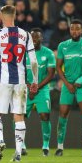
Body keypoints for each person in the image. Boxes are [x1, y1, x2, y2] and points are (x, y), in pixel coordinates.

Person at [0, 5, 38, 162]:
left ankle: (0, 141)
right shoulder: (26, 34)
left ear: (2, 17)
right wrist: (35, 81)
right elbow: (34, 62)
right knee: (18, 116)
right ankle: (17, 153)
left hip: (3, 80)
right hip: (21, 81)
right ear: (15, 15)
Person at [55, 19, 82, 157]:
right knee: (63, 115)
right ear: (69, 30)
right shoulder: (63, 46)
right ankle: (60, 147)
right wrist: (66, 84)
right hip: (68, 85)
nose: (75, 31)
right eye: (72, 29)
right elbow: (58, 67)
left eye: (77, 29)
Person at [22, 28, 55, 156]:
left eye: (37, 37)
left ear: (42, 39)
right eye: (32, 37)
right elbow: (20, 72)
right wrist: (29, 86)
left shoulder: (48, 53)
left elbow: (51, 74)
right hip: (25, 88)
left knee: (44, 116)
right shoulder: (23, 53)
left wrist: (36, 87)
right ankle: (22, 145)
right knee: (20, 116)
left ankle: (46, 146)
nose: (34, 40)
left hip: (42, 89)